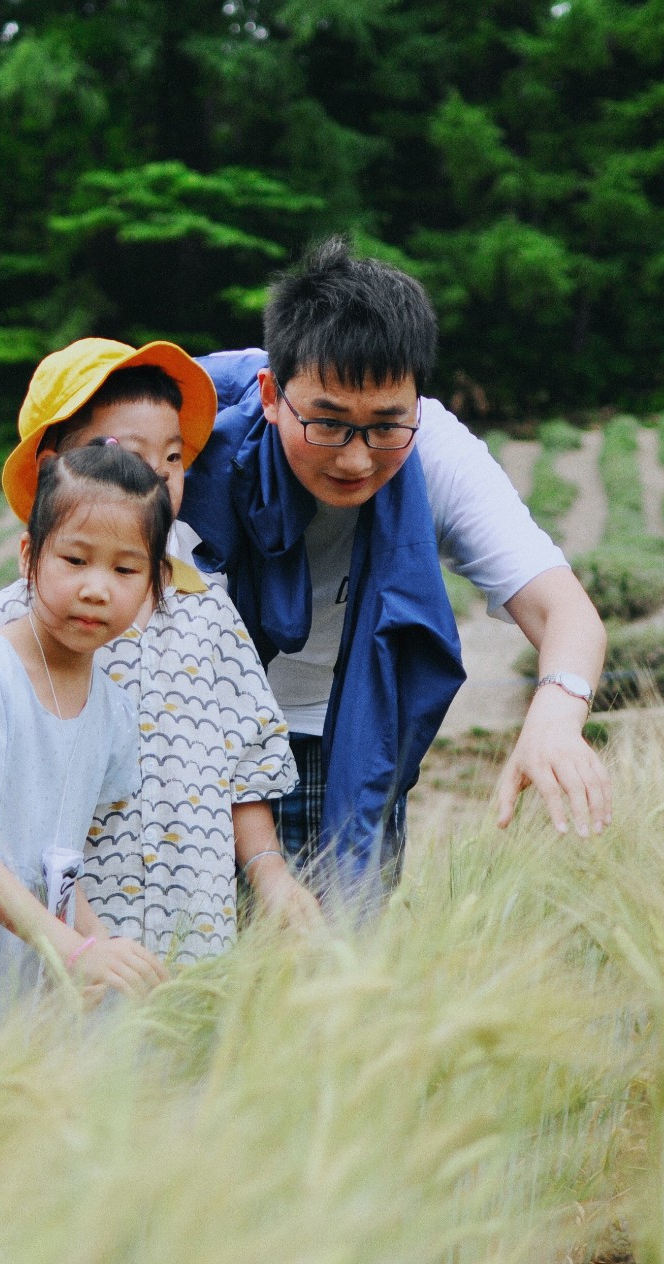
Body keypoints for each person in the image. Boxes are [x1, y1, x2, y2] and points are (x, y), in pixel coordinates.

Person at [183, 237, 613, 887]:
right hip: (187, 740)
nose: (356, 459)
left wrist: (556, 715)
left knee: (346, 962)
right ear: (272, 396)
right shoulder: (188, 449)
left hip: (344, 743)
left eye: (386, 425)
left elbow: (565, 610)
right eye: (327, 423)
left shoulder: (435, 449)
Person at [0, 340, 318, 965]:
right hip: (66, 943)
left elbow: (246, 766)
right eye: (127, 455)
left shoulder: (207, 610)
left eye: (174, 458)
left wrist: (270, 873)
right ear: (52, 465)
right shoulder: (5, 629)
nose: (157, 476)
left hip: (197, 927)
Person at [0, 443, 172, 1000]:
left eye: (125, 568)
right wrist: (73, 949)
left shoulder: (111, 709)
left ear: (155, 582)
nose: (96, 588)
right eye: (75, 561)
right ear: (29, 557)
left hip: (27, 958)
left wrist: (99, 952)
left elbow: (53, 863)